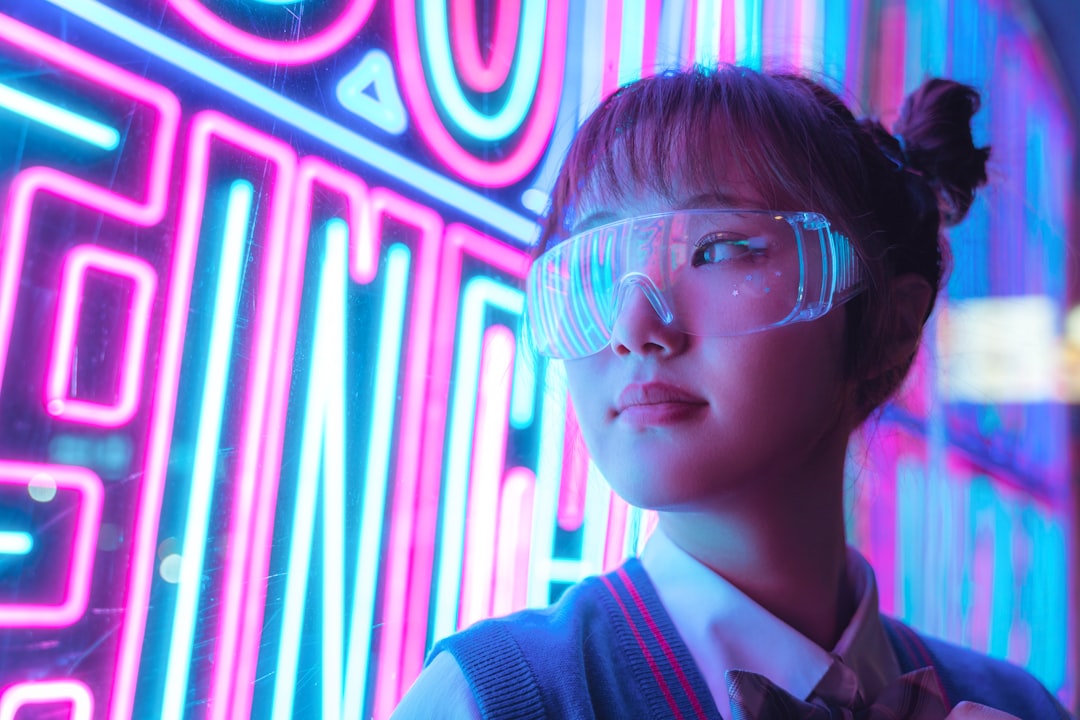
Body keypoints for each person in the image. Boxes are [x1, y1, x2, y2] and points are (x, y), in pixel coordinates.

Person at [392, 65, 1073, 719]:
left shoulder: (1019, 705)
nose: (634, 327)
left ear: (889, 327)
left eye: (718, 249)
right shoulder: (497, 698)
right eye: (597, 263)